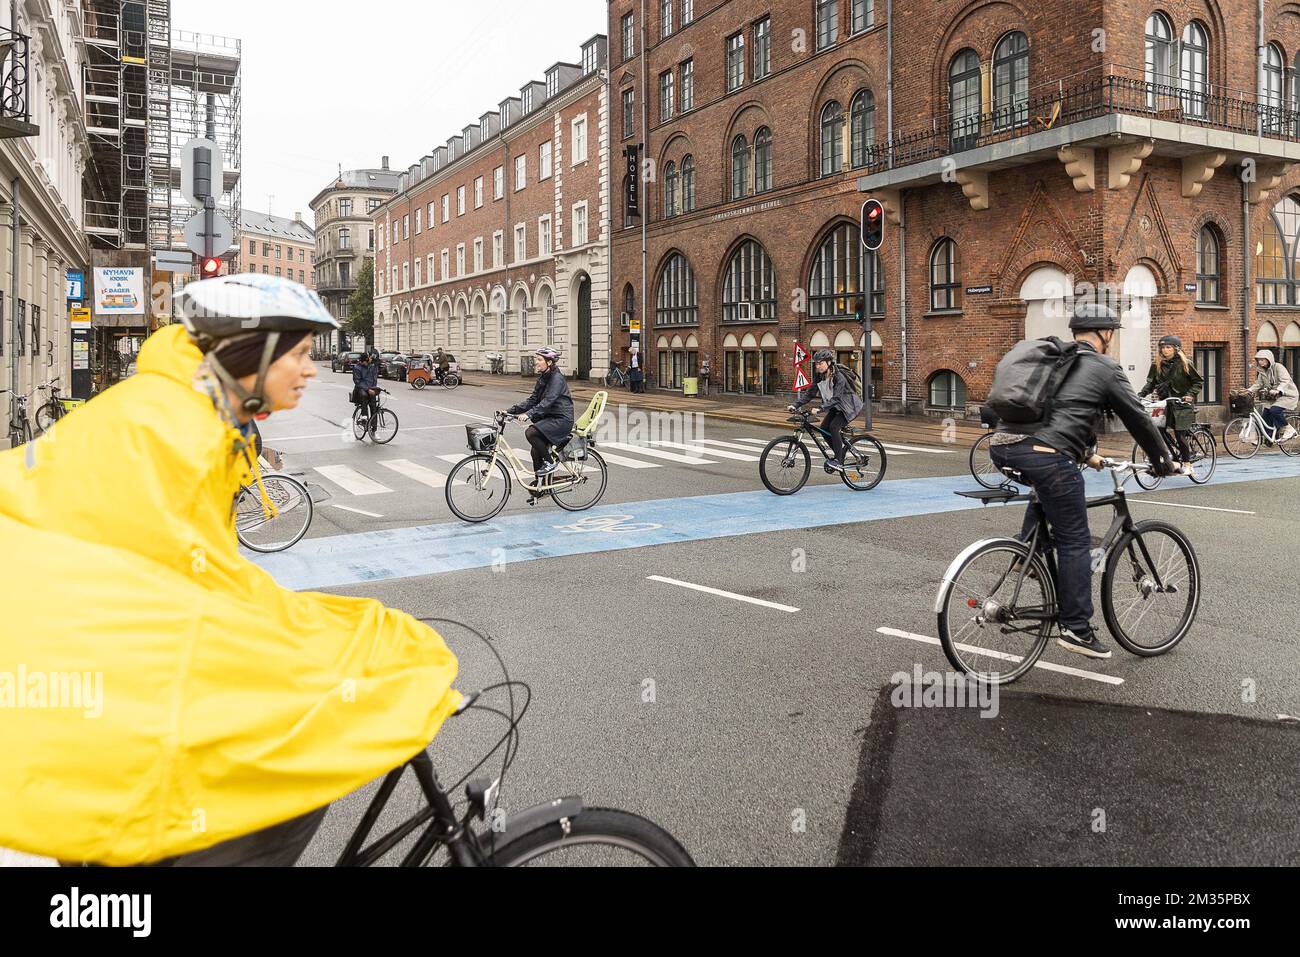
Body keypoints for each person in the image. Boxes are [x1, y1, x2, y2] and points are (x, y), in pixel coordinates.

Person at [0, 274, 461, 866]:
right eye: (297, 354)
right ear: (254, 354)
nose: (312, 369)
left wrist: (334, 639)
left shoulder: (198, 413)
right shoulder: (177, 433)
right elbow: (193, 611)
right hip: (44, 656)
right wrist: (345, 650)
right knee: (277, 770)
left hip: (63, 637)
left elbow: (208, 581)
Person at [988, 302, 1176, 661]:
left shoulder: (1059, 360)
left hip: (1003, 446)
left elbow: (1061, 412)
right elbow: (1138, 418)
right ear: (1105, 334)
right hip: (1045, 454)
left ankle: (1025, 551)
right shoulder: (1105, 367)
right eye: (1113, 334)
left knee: (1049, 487)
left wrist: (1087, 452)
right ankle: (1076, 628)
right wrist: (1164, 461)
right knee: (1075, 540)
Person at [507, 347, 574, 490]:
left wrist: (528, 414)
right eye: (536, 359)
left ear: (549, 362)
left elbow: (548, 401)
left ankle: (550, 463)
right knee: (535, 451)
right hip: (551, 418)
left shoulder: (557, 378)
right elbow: (533, 400)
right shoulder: (544, 377)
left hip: (562, 419)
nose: (536, 362)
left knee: (531, 432)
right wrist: (510, 411)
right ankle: (541, 487)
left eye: (539, 360)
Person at [788, 349, 863, 471]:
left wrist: (820, 408)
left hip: (850, 406)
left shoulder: (839, 377)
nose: (818, 366)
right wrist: (795, 405)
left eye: (820, 363)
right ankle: (839, 455)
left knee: (834, 427)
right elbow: (810, 393)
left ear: (829, 362)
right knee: (823, 429)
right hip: (836, 406)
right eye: (816, 364)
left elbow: (837, 398)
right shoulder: (820, 376)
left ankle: (838, 461)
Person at [1138, 335, 1203, 465]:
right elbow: (1150, 384)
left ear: (1176, 349)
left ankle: (1187, 463)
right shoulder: (1156, 365)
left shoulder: (1185, 364)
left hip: (1182, 404)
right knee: (1158, 430)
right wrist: (1140, 395)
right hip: (1165, 404)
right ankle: (1171, 454)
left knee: (1179, 434)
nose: (1165, 350)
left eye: (1168, 347)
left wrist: (1190, 394)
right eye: (1162, 347)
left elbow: (1198, 382)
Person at [1246, 349, 1298, 443]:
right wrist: (1248, 391)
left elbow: (1285, 380)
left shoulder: (1278, 367)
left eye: (1262, 360)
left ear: (1269, 359)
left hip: (1288, 395)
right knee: (1266, 414)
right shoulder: (1262, 371)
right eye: (1259, 360)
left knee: (1275, 410)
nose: (1260, 362)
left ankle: (1289, 429)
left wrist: (1278, 389)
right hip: (1275, 397)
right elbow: (1258, 384)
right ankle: (1270, 438)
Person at [352, 348, 380, 429]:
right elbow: (357, 382)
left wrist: (374, 388)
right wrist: (368, 389)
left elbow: (374, 378)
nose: (364, 363)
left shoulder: (372, 366)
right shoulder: (357, 368)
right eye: (363, 362)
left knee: (374, 409)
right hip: (360, 390)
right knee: (364, 395)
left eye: (366, 361)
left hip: (371, 389)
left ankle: (374, 430)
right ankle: (364, 417)